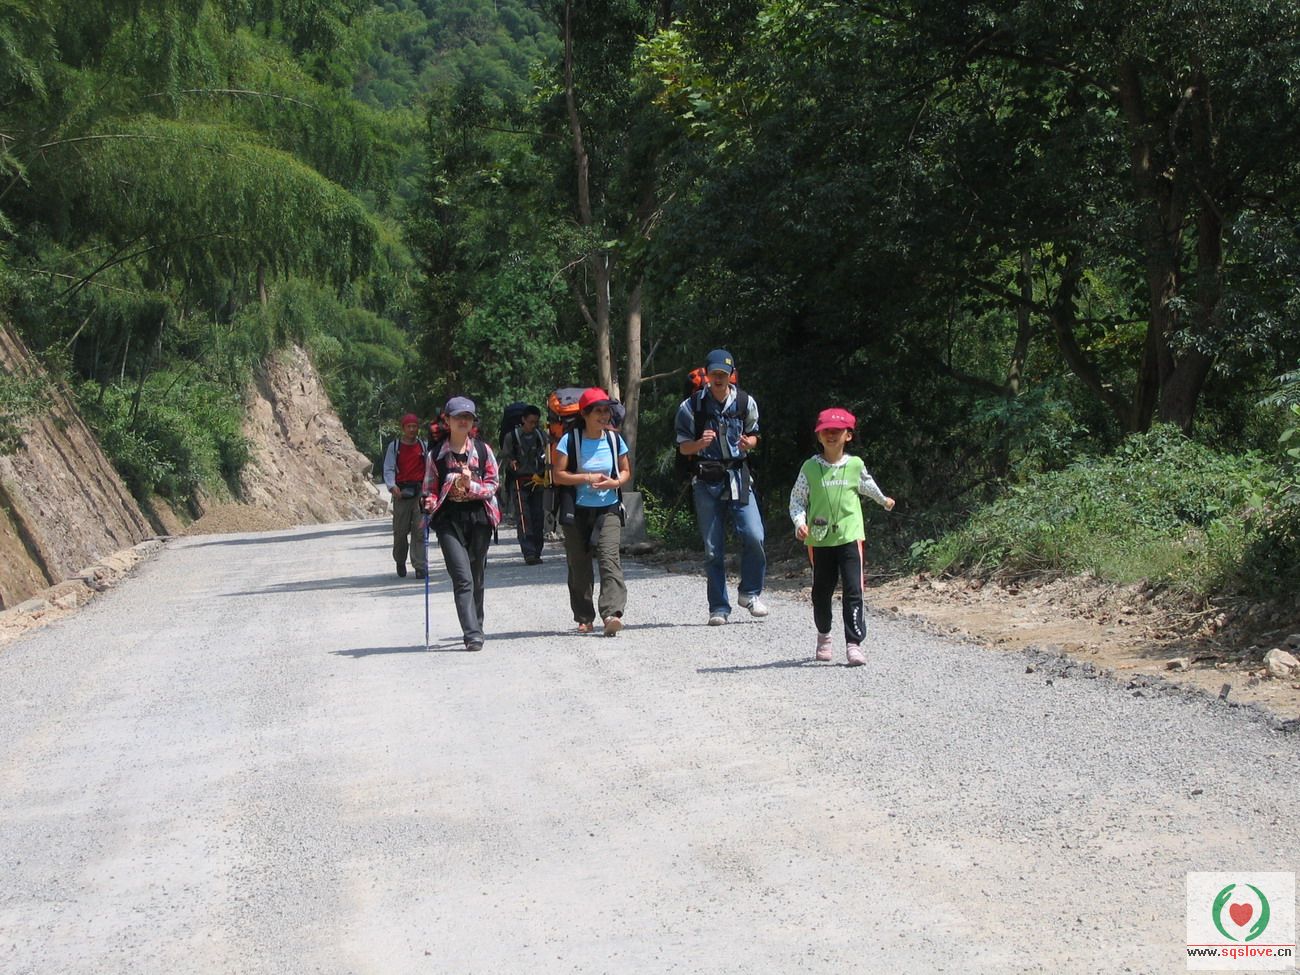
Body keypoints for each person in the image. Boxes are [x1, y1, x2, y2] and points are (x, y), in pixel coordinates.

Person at [788, 407, 895, 666]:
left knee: (853, 589)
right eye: (826, 430)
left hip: (850, 536)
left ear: (848, 435)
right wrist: (800, 523)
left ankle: (854, 644)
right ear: (819, 435)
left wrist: (883, 500)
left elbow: (867, 484)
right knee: (821, 592)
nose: (831, 435)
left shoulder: (855, 465)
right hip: (820, 540)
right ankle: (824, 635)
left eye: (837, 430)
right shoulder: (810, 467)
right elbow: (797, 500)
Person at [675, 348, 767, 626]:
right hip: (706, 481)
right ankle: (718, 607)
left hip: (739, 477)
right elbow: (682, 447)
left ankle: (750, 593)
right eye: (714, 373)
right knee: (713, 549)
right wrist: (699, 444)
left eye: (723, 374)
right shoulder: (691, 406)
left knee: (754, 535)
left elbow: (755, 435)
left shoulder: (745, 402)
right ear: (706, 374)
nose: (718, 378)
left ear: (731, 375)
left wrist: (750, 443)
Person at [420, 397, 500, 652]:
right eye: (458, 417)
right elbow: (430, 489)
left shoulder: (483, 451)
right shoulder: (436, 455)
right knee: (463, 578)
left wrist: (470, 486)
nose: (463, 421)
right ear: (447, 420)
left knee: (477, 576)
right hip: (448, 520)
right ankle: (472, 634)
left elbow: (493, 485)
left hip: (479, 518)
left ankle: (477, 623)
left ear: (473, 421)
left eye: (468, 417)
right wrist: (429, 502)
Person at [552, 387, 631, 636]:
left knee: (610, 560)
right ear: (584, 414)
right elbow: (558, 475)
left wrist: (614, 483)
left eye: (606, 411)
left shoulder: (614, 439)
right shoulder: (569, 440)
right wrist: (587, 477)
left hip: (608, 509)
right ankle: (584, 616)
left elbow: (625, 471)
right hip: (576, 511)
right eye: (598, 411)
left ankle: (611, 614)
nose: (604, 416)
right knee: (579, 566)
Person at [497, 404, 548, 565]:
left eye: (536, 422)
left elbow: (548, 453)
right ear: (523, 420)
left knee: (538, 516)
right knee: (524, 516)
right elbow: (505, 456)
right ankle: (529, 552)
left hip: (537, 481)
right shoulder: (511, 437)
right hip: (519, 482)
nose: (533, 425)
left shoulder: (540, 436)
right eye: (531, 422)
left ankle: (537, 551)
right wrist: (511, 462)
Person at [382, 412, 428, 579]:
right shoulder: (394, 447)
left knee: (420, 530)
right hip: (401, 493)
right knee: (400, 532)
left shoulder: (423, 446)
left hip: (420, 493)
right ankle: (400, 560)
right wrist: (392, 486)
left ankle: (420, 566)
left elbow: (429, 468)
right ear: (403, 428)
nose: (412, 429)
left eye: (414, 426)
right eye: (409, 426)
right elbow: (388, 468)